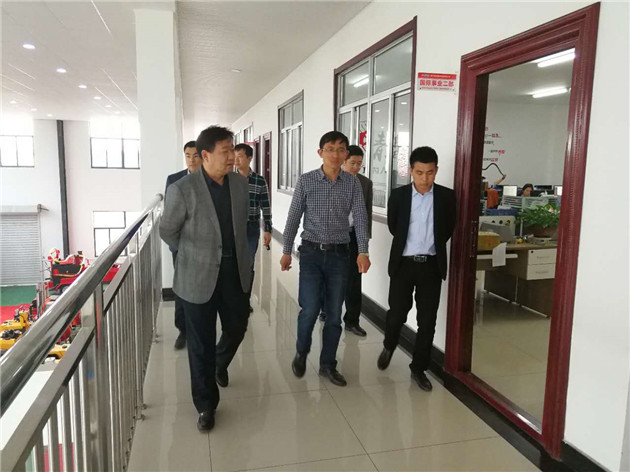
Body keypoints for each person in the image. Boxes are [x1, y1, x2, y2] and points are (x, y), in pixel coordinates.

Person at [160, 126, 251, 432]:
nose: (232, 156)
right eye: (226, 151)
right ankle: (206, 405)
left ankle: (219, 363)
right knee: (200, 343)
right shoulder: (182, 189)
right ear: (206, 155)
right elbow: (167, 231)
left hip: (234, 272)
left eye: (233, 149)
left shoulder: (240, 184)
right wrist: (192, 254)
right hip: (196, 275)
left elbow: (241, 226)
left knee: (237, 326)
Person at [281, 131, 370, 387]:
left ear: (346, 154)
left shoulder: (352, 183)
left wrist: (363, 251)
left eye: (341, 149)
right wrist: (286, 250)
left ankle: (328, 365)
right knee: (309, 309)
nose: (335, 154)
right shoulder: (306, 180)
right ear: (320, 153)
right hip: (311, 252)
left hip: (340, 255)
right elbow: (293, 217)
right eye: (330, 149)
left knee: (333, 314)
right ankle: (301, 351)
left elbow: (360, 218)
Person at [377, 146, 455, 392]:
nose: (424, 178)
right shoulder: (398, 196)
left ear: (436, 171)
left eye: (430, 173)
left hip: (431, 266)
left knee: (427, 321)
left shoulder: (447, 197)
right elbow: (394, 227)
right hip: (403, 264)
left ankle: (419, 368)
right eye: (419, 172)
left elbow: (447, 229)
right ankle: (389, 344)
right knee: (397, 314)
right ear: (411, 171)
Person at [164, 141, 201, 350]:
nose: (191, 160)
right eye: (188, 155)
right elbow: (169, 215)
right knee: (181, 287)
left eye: (195, 155)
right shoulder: (174, 180)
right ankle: (183, 330)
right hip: (181, 245)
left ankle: (200, 329)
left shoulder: (211, 179)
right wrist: (176, 244)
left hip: (205, 246)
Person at [233, 143, 273, 313]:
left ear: (250, 158)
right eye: (234, 156)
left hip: (251, 228)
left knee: (248, 264)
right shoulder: (228, 178)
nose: (236, 160)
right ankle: (233, 300)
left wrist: (268, 229)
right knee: (233, 264)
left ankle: (244, 300)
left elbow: (265, 206)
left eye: (240, 156)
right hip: (233, 227)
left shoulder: (259, 180)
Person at [340, 145, 373, 337]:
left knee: (354, 280)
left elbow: (367, 214)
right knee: (331, 275)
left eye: (359, 164)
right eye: (352, 163)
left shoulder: (365, 183)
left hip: (354, 236)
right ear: (343, 161)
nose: (356, 167)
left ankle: (352, 321)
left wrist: (364, 246)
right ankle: (326, 310)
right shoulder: (333, 180)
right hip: (334, 235)